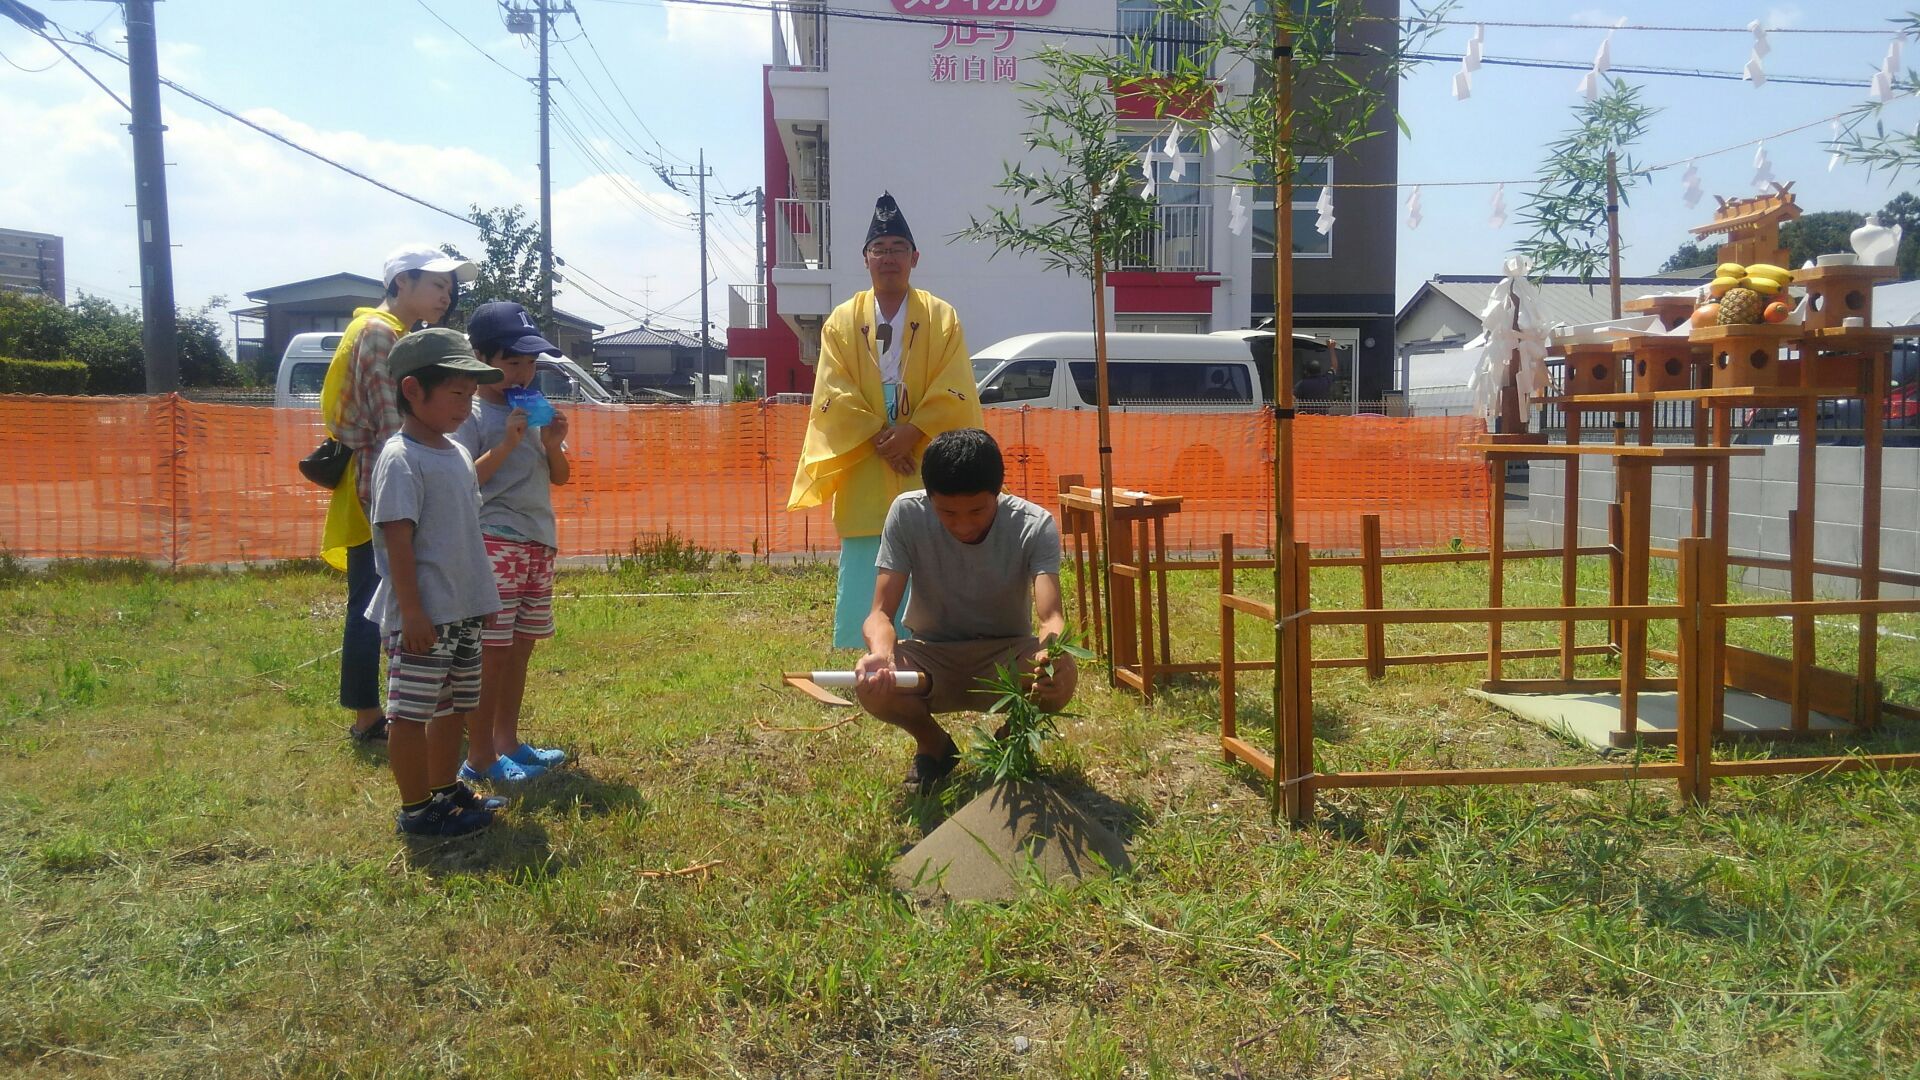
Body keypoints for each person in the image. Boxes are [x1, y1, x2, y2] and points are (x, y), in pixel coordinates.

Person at [788, 193, 983, 650]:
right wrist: (883, 436)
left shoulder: (941, 317)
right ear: (865, 260)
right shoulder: (840, 322)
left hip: (925, 448)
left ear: (914, 257)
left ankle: (930, 644)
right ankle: (862, 647)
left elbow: (955, 384)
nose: (888, 257)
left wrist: (912, 433)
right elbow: (832, 393)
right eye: (880, 249)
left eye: (898, 248)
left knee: (931, 536)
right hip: (867, 451)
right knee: (865, 549)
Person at [853, 429, 1076, 792]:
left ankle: (1008, 743)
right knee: (871, 687)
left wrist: (1052, 654)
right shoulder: (906, 514)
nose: (963, 525)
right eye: (947, 512)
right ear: (929, 498)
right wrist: (882, 654)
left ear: (998, 492)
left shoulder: (1035, 525)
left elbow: (1050, 617)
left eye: (977, 510)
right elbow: (879, 613)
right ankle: (934, 745)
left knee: (1060, 676)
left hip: (1006, 655)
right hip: (931, 656)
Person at [322, 245, 477, 743]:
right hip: (383, 492)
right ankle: (372, 716)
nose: (445, 295)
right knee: (377, 600)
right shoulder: (377, 334)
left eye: (450, 287)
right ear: (400, 283)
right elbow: (395, 427)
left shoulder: (399, 335)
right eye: (436, 284)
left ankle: (392, 710)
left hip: (389, 487)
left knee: (378, 596)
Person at [365, 328, 509, 837]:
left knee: (455, 706)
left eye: (470, 396)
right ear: (411, 390)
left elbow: (467, 534)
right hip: (425, 615)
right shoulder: (401, 458)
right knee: (411, 714)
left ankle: (445, 788)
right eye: (455, 394)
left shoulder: (455, 455)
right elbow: (397, 540)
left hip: (463, 608)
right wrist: (414, 611)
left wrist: (481, 595)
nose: (465, 407)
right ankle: (415, 809)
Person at [453, 302, 572, 785]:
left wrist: (550, 443)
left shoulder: (535, 412)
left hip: (537, 541)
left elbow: (561, 477)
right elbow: (462, 481)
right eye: (512, 363)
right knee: (493, 651)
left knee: (521, 646)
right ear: (480, 358)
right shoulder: (472, 413)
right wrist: (504, 443)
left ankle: (509, 741)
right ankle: (479, 755)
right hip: (493, 540)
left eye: (530, 364)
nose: (524, 373)